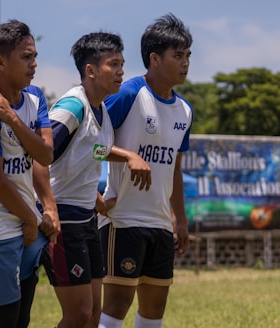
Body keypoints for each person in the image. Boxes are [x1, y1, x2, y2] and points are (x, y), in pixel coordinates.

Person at [36, 32, 151, 328]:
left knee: (93, 315)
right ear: (90, 70)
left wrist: (124, 159)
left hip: (86, 220)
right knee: (77, 315)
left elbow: (91, 149)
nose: (121, 72)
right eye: (113, 64)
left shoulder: (101, 109)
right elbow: (40, 156)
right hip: (64, 222)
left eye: (122, 64)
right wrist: (48, 209)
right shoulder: (72, 107)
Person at [97, 13, 193, 328]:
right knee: (115, 308)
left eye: (188, 55)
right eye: (178, 55)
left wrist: (179, 219)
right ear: (154, 58)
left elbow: (174, 168)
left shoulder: (185, 111)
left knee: (154, 313)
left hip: (160, 224)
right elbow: (89, 144)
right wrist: (128, 156)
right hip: (122, 219)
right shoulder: (127, 94)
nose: (185, 62)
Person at [0, 19, 58, 328]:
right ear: (0, 62)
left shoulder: (34, 98)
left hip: (26, 223)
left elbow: (45, 154)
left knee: (22, 319)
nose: (34, 64)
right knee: (3, 319)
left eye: (35, 56)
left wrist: (12, 118)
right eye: (26, 57)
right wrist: (31, 219)